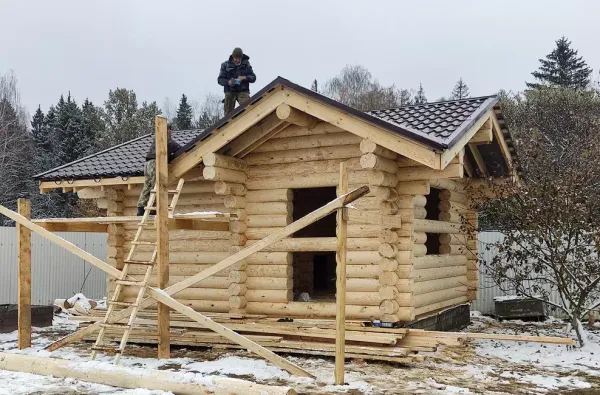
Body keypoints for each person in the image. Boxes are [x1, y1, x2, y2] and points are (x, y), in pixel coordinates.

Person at [136, 124, 182, 216]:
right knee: (156, 186)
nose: (170, 131)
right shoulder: (163, 137)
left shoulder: (157, 139)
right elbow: (176, 147)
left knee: (148, 186)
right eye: (168, 129)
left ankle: (141, 209)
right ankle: (153, 209)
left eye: (170, 130)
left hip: (147, 164)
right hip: (154, 163)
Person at [218, 47, 256, 115]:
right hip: (230, 91)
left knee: (248, 109)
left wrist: (244, 77)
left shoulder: (246, 64)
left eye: (239, 58)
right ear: (233, 56)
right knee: (228, 114)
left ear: (241, 57)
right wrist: (228, 82)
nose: (237, 60)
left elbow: (253, 78)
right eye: (236, 58)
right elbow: (220, 80)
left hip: (243, 91)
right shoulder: (225, 65)